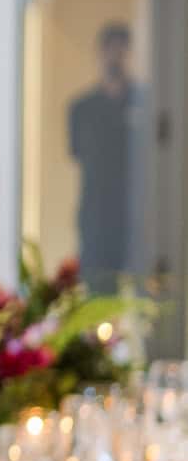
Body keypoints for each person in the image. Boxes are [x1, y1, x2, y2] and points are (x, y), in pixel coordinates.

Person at [67, 21, 146, 293]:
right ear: (100, 52)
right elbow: (77, 153)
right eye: (109, 48)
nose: (115, 55)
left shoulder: (145, 104)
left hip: (135, 218)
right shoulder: (82, 109)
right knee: (98, 296)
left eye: (120, 48)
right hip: (97, 219)